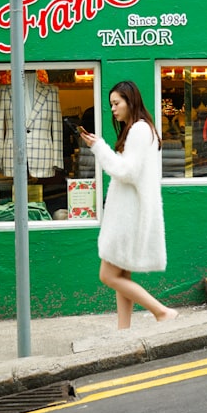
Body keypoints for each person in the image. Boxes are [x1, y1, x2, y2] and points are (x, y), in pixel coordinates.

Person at [79, 81, 179, 329]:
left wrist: (98, 147)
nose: (112, 109)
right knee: (121, 275)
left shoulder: (140, 130)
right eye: (111, 104)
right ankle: (123, 330)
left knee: (108, 275)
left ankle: (162, 311)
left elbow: (127, 172)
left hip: (128, 216)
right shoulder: (140, 129)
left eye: (116, 103)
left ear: (130, 102)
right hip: (130, 213)